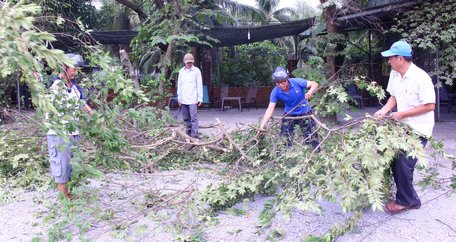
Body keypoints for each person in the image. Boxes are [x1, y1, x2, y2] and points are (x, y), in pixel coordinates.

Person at [374, 40, 435, 213]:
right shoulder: (395, 74)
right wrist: (384, 111)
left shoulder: (421, 78)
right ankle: (411, 199)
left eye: (390, 58)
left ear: (400, 58)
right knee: (394, 160)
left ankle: (406, 201)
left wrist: (401, 114)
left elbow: (430, 105)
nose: (388, 61)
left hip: (419, 129)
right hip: (402, 128)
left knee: (403, 163)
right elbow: (393, 96)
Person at [47, 53, 93, 199]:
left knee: (72, 165)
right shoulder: (55, 85)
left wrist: (96, 117)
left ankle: (70, 195)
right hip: (59, 133)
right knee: (61, 165)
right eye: (73, 68)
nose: (75, 72)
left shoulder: (74, 87)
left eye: (77, 69)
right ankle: (63, 200)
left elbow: (82, 103)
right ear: (63, 67)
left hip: (74, 132)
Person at [258, 67, 319, 147]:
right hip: (289, 114)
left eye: (283, 82)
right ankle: (283, 156)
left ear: (287, 79)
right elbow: (269, 110)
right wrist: (262, 126)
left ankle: (315, 153)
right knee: (285, 138)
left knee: (311, 137)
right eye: (278, 83)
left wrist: (310, 92)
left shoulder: (297, 82)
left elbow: (315, 84)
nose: (281, 85)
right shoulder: (275, 91)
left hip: (306, 113)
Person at [177, 53, 203, 138]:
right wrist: (179, 98)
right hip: (184, 99)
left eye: (190, 62)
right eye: (188, 62)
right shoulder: (181, 71)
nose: (189, 64)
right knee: (186, 118)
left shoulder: (197, 71)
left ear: (193, 62)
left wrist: (200, 98)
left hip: (193, 99)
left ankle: (194, 135)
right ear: (184, 62)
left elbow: (199, 85)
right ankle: (188, 135)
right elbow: (179, 85)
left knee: (194, 118)